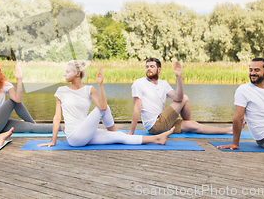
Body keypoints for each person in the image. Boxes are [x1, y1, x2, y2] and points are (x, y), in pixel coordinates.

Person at [38, 60, 174, 147]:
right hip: (74, 137)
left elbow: (102, 107)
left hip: (85, 132)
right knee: (104, 108)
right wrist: (53, 141)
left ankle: (157, 139)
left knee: (120, 137)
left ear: (77, 74)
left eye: (67, 72)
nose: (64, 74)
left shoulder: (89, 90)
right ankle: (113, 130)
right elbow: (57, 117)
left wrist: (100, 85)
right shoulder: (61, 91)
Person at [128, 58, 232, 136]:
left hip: (163, 121)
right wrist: (131, 132)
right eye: (147, 67)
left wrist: (179, 77)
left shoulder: (163, 84)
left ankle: (229, 130)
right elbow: (137, 108)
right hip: (155, 124)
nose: (148, 69)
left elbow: (177, 97)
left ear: (159, 69)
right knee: (185, 98)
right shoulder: (139, 83)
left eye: (152, 66)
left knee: (194, 126)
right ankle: (187, 120)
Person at [0, 59, 55, 135]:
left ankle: (61, 127)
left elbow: (18, 100)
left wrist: (19, 79)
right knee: (12, 100)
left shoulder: (5, 85)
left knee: (31, 127)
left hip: (1, 123)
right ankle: (32, 121)